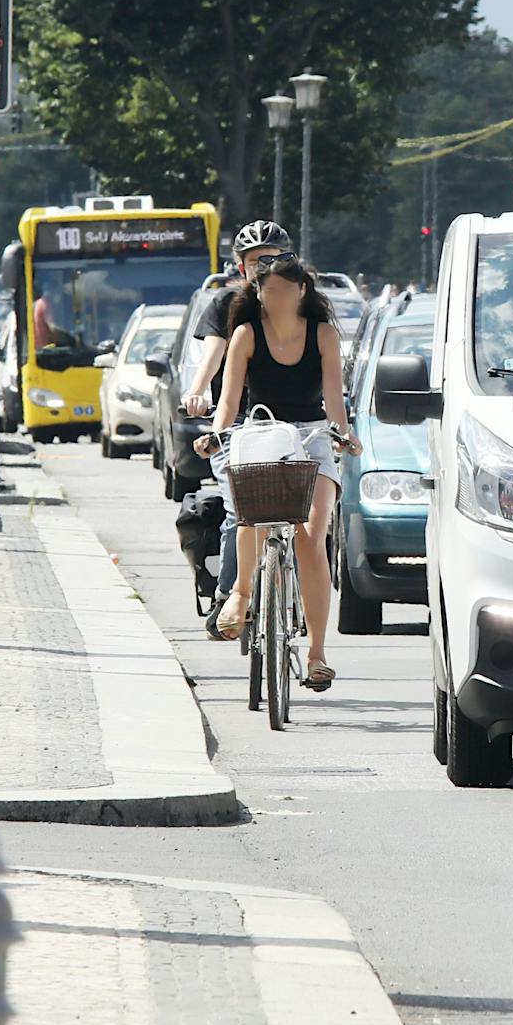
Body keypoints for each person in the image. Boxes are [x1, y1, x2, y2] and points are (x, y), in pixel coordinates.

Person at [208, 257, 359, 690]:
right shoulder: (246, 334)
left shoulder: (324, 334)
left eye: (281, 291)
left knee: (312, 536)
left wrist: (344, 435)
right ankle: (239, 595)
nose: (272, 299)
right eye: (265, 292)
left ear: (301, 292)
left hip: (312, 438)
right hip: (261, 432)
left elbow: (334, 399)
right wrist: (216, 436)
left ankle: (316, 653)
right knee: (249, 512)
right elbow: (229, 400)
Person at [184, 221, 294, 625]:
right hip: (237, 423)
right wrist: (197, 391)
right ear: (240, 267)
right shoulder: (226, 304)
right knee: (240, 504)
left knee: (305, 506)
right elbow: (213, 351)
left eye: (274, 259)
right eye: (254, 261)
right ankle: (228, 597)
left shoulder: (299, 303)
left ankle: (291, 582)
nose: (264, 267)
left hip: (290, 423)